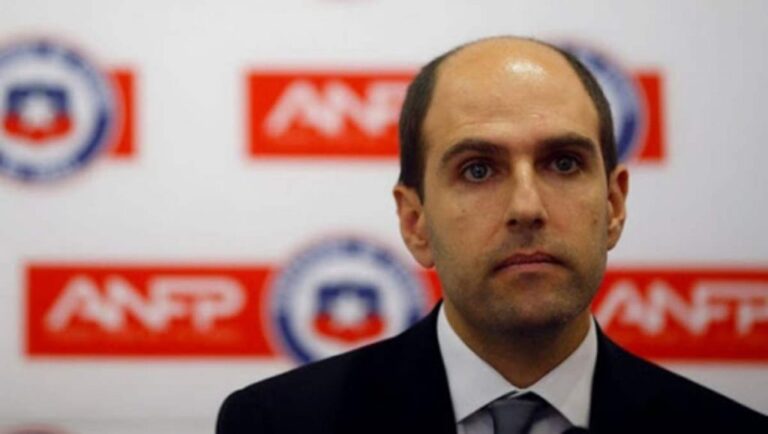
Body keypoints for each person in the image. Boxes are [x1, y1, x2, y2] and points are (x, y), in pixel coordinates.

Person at [216, 36, 767, 434]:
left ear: (614, 204)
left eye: (563, 163)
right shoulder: (278, 423)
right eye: (478, 170)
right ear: (415, 223)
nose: (527, 207)